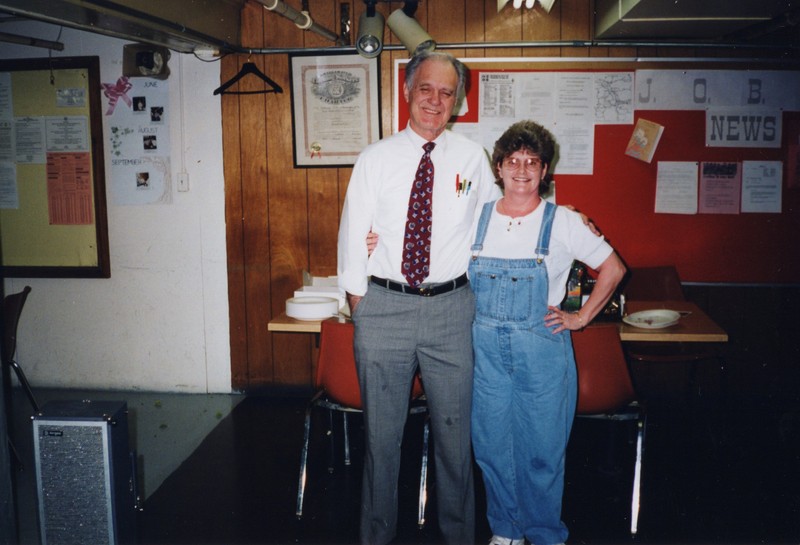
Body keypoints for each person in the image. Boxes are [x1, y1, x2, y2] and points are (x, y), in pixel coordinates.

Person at [338, 50, 499, 545]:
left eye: (446, 92)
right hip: (385, 307)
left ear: (458, 102)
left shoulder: (472, 158)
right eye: (426, 88)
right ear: (407, 91)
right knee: (382, 444)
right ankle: (377, 537)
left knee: (455, 442)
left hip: (452, 310)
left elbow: (495, 225)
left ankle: (458, 537)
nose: (435, 100)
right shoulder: (376, 158)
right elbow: (351, 232)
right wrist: (360, 301)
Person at [468, 120, 626, 545]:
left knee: (542, 454)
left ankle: (543, 534)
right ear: (498, 167)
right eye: (513, 160)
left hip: (542, 353)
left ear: (545, 170)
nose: (522, 170)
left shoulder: (564, 222)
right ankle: (505, 530)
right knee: (492, 450)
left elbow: (614, 269)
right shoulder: (476, 218)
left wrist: (581, 318)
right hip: (485, 355)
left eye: (532, 162)